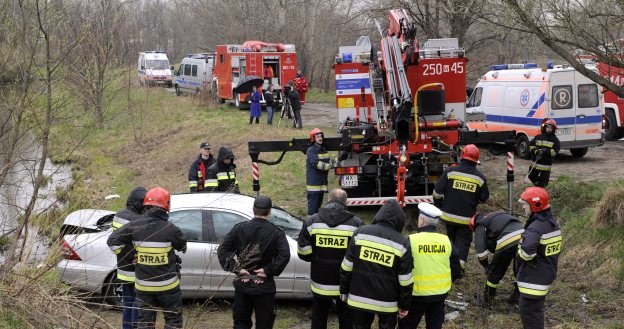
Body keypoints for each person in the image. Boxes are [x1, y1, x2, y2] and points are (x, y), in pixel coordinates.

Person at [108, 187, 188, 329]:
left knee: (144, 323)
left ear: (146, 204)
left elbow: (112, 241)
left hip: (143, 287)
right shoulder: (171, 229)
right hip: (168, 287)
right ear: (167, 206)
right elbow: (182, 246)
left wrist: (129, 256)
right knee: (173, 321)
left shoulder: (134, 226)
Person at [217, 196, 291, 329]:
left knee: (241, 324)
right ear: (269, 212)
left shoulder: (239, 229)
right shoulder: (276, 232)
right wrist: (267, 270)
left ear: (253, 210)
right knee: (264, 325)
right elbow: (284, 255)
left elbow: (223, 250)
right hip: (264, 287)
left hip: (243, 284)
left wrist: (237, 269)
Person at [340, 199, 413, 329]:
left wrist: (344, 291)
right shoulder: (402, 243)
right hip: (387, 303)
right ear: (399, 221)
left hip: (359, 298)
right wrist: (404, 305)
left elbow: (346, 267)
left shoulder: (360, 233)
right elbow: (405, 281)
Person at [297, 189, 363, 329]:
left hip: (320, 282)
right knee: (346, 320)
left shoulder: (312, 221)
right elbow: (360, 257)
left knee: (318, 319)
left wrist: (317, 258)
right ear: (346, 202)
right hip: (344, 285)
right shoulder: (356, 225)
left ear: (328, 200)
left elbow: (304, 252)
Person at [399, 203, 461, 329]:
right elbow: (456, 267)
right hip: (439, 295)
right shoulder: (446, 240)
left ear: (421, 220)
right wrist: (448, 282)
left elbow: (402, 268)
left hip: (416, 296)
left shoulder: (411, 240)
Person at [432, 144, 489, 270]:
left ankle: (449, 265)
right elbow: (483, 198)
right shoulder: (479, 178)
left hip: (448, 217)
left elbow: (437, 193)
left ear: (462, 156)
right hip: (466, 220)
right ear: (476, 161)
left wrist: (440, 206)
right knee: (463, 242)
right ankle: (459, 268)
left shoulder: (450, 172)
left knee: (451, 240)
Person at [516, 187, 562, 329]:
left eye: (525, 203)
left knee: (530, 317)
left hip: (533, 281)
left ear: (535, 205)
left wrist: (519, 248)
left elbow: (526, 253)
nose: (523, 206)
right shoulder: (551, 223)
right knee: (536, 313)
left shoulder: (535, 228)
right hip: (545, 275)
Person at [107, 187, 147, 329]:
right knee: (137, 304)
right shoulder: (139, 219)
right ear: (138, 202)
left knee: (127, 304)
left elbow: (114, 240)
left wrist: (122, 254)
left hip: (122, 268)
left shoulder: (119, 215)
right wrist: (132, 256)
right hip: (136, 270)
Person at [470, 211, 524, 307]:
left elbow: (481, 253)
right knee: (520, 269)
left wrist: (487, 267)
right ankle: (518, 297)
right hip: (524, 236)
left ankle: (488, 299)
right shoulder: (496, 215)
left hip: (507, 238)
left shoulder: (480, 224)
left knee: (495, 272)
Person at [526, 119, 560, 187]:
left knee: (544, 184)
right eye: (547, 127)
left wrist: (545, 151)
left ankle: (541, 191)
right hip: (535, 164)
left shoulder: (555, 140)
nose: (549, 129)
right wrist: (536, 151)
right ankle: (538, 186)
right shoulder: (538, 137)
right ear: (544, 127)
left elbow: (555, 151)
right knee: (531, 177)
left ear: (553, 129)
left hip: (546, 166)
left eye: (551, 128)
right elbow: (530, 145)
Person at [306, 128, 331, 216]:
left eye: (321, 136)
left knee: (318, 209)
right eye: (317, 137)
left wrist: (339, 160)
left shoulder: (323, 149)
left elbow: (328, 161)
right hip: (314, 185)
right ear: (313, 138)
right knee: (313, 210)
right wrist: (330, 166)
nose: (320, 138)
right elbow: (316, 164)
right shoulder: (311, 150)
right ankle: (309, 226)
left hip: (321, 184)